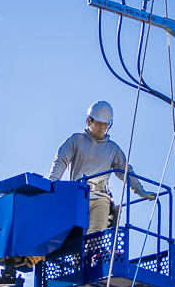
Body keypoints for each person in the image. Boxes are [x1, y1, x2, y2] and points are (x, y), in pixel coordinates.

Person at [48, 100, 156, 234]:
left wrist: (141, 191)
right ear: (89, 121)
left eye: (106, 125)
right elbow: (61, 160)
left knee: (96, 233)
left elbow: (126, 172)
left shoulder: (113, 149)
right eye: (99, 123)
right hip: (79, 195)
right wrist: (52, 184)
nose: (102, 128)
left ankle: (93, 254)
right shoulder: (76, 140)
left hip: (100, 197)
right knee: (76, 236)